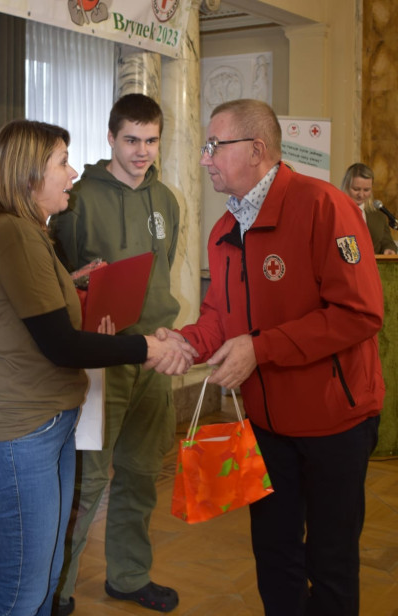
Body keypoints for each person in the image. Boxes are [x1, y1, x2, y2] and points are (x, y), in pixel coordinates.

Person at [157, 100, 385, 616]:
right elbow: (221, 316)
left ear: (257, 150)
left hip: (334, 422)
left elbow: (361, 313)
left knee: (330, 560)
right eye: (205, 147)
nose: (204, 159)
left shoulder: (323, 206)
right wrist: (186, 342)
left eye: (215, 146)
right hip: (264, 425)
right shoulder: (223, 231)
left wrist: (261, 348)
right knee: (274, 555)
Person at [0, 119, 193, 616]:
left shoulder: (24, 233)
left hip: (34, 424)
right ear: (28, 178)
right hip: (20, 431)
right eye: (62, 164)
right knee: (24, 589)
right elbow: (60, 345)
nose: (71, 174)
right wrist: (146, 347)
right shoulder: (16, 235)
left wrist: (74, 290)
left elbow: (29, 322)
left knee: (7, 567)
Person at [51, 94, 182, 615]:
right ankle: (56, 589)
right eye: (131, 139)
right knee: (87, 481)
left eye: (151, 141)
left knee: (140, 474)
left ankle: (128, 576)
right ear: (110, 137)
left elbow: (163, 270)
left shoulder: (168, 200)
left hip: (155, 356)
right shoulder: (77, 198)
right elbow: (55, 280)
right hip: (100, 359)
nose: (142, 151)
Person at [341, 162, 396, 255]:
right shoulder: (336, 212)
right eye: (356, 189)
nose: (361, 195)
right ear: (346, 186)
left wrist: (389, 249)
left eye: (366, 190)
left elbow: (387, 242)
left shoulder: (379, 216)